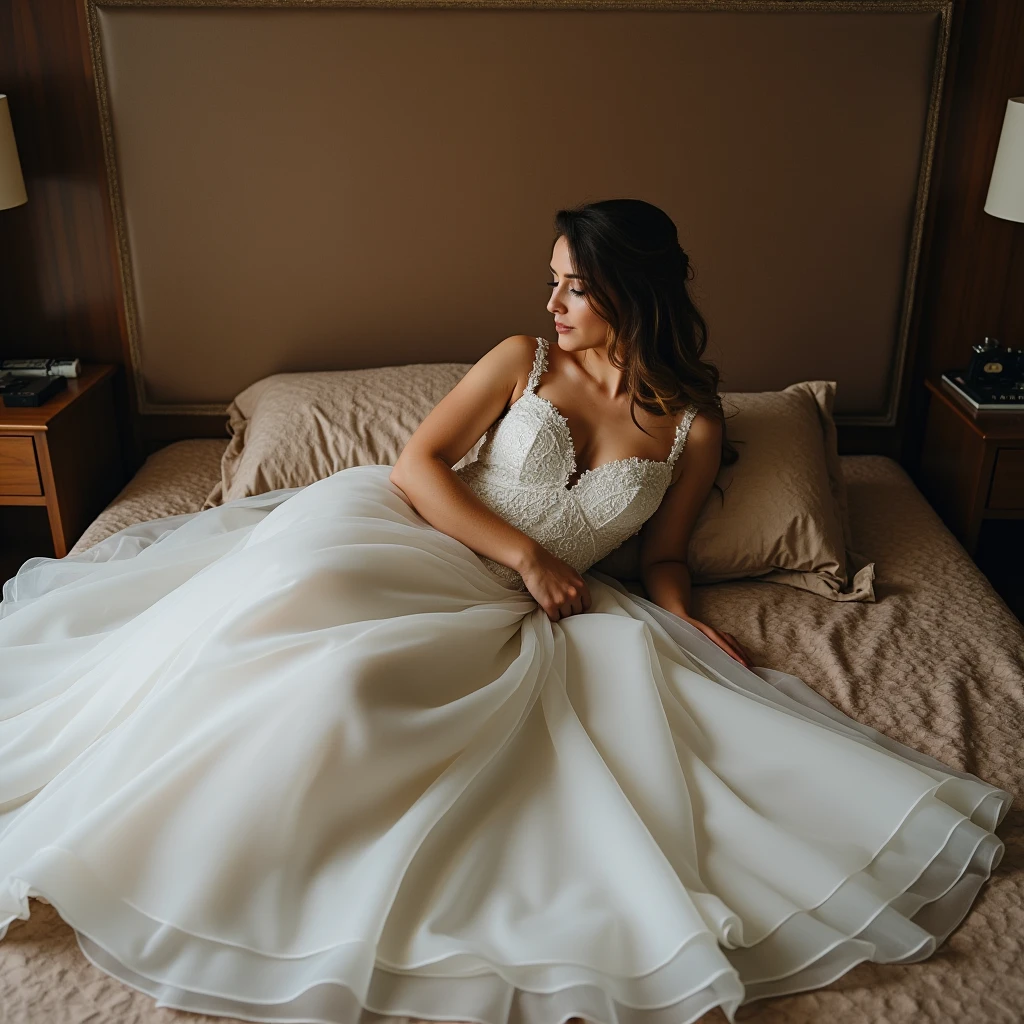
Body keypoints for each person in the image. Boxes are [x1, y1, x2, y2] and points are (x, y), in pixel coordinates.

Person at [0, 199, 1009, 1024]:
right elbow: (415, 465)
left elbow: (661, 552)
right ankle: (185, 825)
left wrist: (686, 619)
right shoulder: (521, 359)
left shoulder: (694, 426)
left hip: (526, 612)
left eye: (575, 284)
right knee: (309, 637)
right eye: (554, 280)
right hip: (407, 540)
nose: (555, 300)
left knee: (404, 697)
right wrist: (525, 553)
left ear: (630, 293)